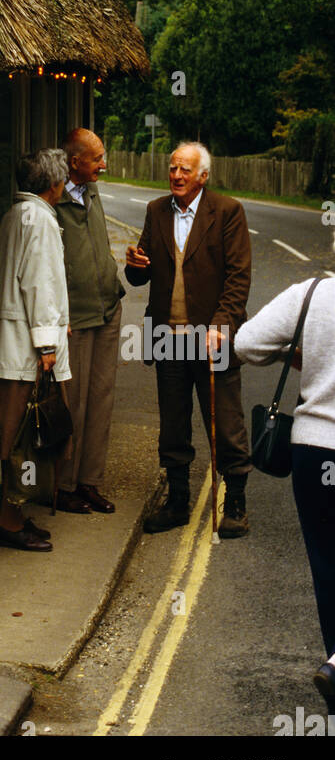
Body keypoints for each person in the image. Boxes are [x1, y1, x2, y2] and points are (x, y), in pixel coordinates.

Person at [124, 141, 252, 536]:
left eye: (185, 170)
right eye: (173, 168)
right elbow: (140, 275)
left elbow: (238, 278)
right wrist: (134, 265)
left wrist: (220, 325)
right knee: (173, 425)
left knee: (225, 423)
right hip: (169, 336)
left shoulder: (227, 212)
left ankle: (235, 505)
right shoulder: (156, 211)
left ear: (203, 176)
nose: (176, 175)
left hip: (212, 336)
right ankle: (178, 501)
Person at [234, 271, 335, 709]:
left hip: (314, 451)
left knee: (328, 570)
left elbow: (246, 343)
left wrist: (302, 357)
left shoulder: (312, 294)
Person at [0, 148, 71, 552]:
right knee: (21, 437)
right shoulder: (38, 218)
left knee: (18, 432)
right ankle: (9, 521)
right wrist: (47, 344)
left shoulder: (17, 213)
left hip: (16, 342)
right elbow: (39, 284)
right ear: (54, 184)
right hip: (26, 348)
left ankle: (18, 515)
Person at [52, 127, 124, 513]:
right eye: (96, 159)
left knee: (101, 400)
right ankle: (62, 486)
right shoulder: (54, 198)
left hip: (107, 309)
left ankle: (89, 482)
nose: (103, 164)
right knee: (72, 403)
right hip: (75, 317)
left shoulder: (92, 191)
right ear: (74, 162)